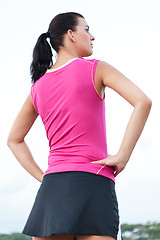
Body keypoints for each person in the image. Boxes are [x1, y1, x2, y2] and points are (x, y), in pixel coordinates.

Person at [7, 12, 152, 240]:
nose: (92, 36)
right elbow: (143, 102)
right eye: (86, 29)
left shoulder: (38, 87)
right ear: (71, 34)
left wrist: (44, 176)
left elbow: (13, 140)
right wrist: (123, 155)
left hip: (53, 187)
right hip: (93, 180)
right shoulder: (96, 68)